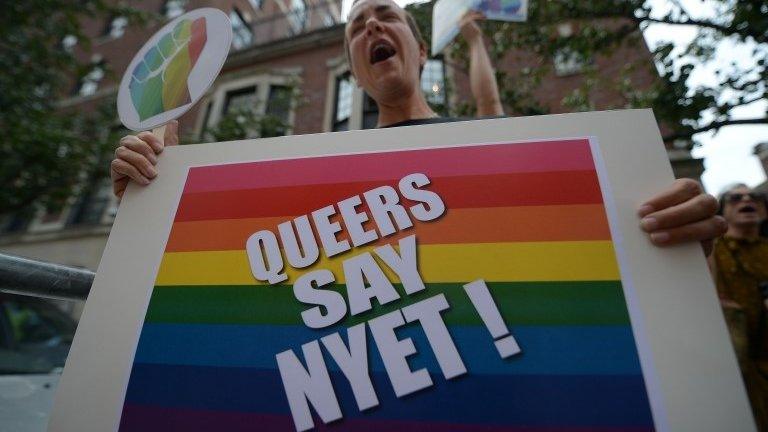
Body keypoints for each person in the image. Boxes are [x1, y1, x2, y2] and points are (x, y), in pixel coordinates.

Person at [111, 0, 725, 249]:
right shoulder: (320, 176)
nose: (372, 28)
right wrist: (158, 185)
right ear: (353, 65)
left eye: (387, 17)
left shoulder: (486, 142)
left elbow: (492, 113)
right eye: (357, 27)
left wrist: (660, 231)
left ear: (421, 49)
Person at [710, 184, 768, 431]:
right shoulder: (711, 250)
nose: (747, 200)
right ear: (722, 212)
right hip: (738, 365)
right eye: (735, 198)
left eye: (755, 196)